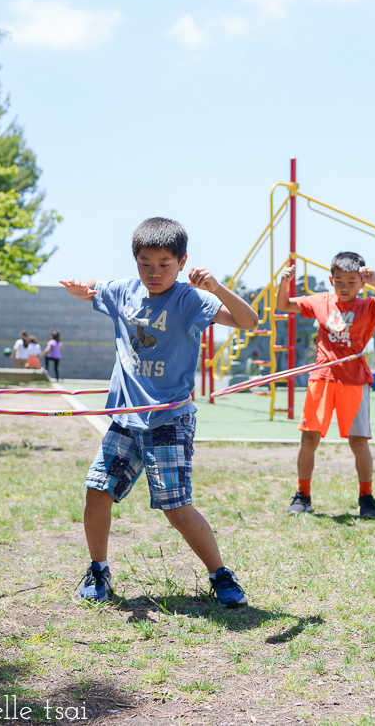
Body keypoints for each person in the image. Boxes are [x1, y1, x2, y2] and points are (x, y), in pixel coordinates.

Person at [61, 217, 258, 607]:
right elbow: (94, 290)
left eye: (164, 264)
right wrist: (81, 292)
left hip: (169, 419)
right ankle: (98, 569)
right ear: (134, 261)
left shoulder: (190, 299)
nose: (154, 272)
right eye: (145, 263)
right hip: (125, 418)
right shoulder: (122, 291)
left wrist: (216, 287)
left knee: (176, 507)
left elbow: (249, 322)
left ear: (182, 262)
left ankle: (221, 575)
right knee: (97, 491)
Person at [277, 252, 375, 519]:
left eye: (352, 281)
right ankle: (303, 495)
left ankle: (366, 498)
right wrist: (283, 283)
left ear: (361, 282)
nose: (345, 287)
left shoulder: (369, 306)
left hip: (355, 381)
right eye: (339, 281)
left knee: (359, 443)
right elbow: (285, 305)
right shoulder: (321, 301)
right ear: (330, 280)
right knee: (309, 439)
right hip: (321, 379)